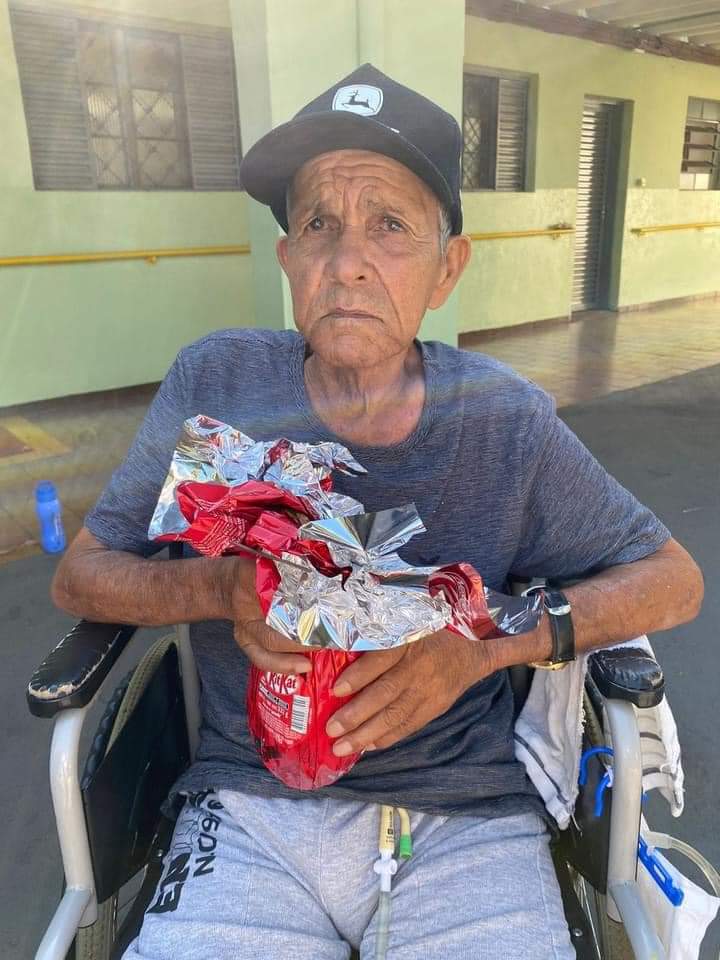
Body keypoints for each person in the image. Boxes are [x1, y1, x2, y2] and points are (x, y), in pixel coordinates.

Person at [52, 63, 703, 959]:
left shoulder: (503, 420)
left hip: (465, 818)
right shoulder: (218, 384)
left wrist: (487, 646)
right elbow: (82, 573)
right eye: (318, 222)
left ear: (448, 268)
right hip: (251, 810)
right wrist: (221, 589)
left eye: (390, 225)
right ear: (287, 259)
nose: (346, 259)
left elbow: (672, 581)